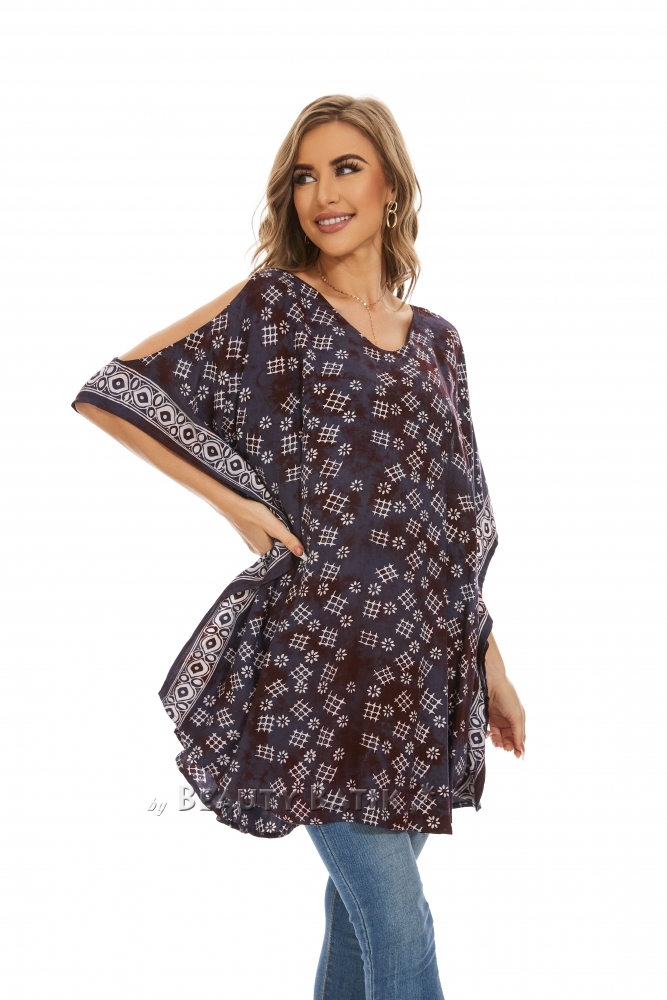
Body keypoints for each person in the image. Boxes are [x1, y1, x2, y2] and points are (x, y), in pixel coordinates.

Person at [72, 94, 526, 1000]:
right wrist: (234, 504)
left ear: (391, 186)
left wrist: (492, 665)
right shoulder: (275, 304)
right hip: (316, 668)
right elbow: (114, 390)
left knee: (357, 927)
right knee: (398, 926)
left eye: (346, 168)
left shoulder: (439, 343)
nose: (323, 193)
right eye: (305, 177)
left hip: (414, 675)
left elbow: (450, 525)